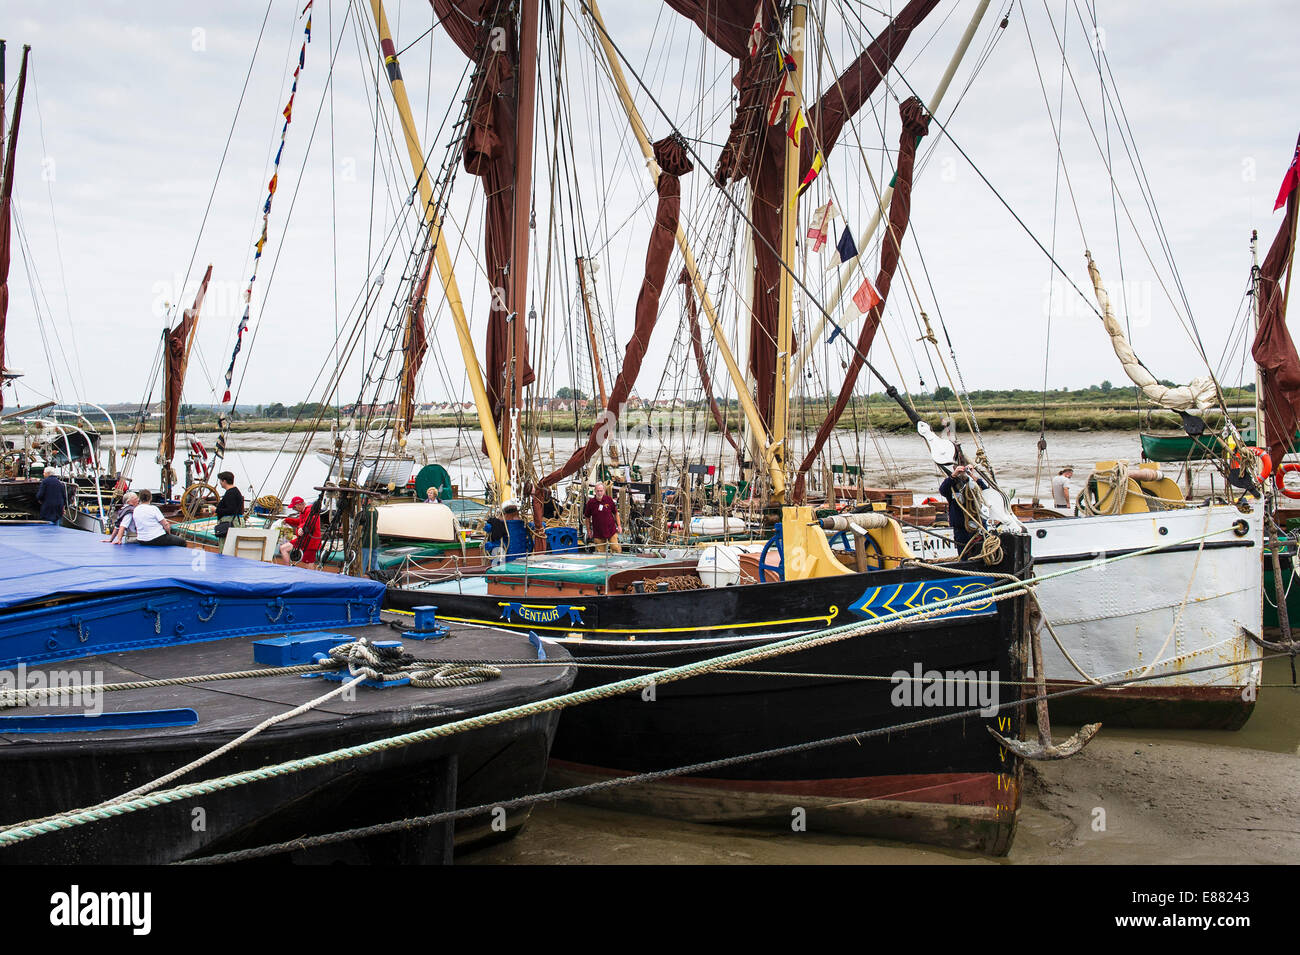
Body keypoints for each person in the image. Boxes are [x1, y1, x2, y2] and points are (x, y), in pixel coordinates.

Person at [939, 464, 987, 553]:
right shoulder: (952, 485)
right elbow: (943, 491)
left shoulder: (974, 484)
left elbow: (986, 491)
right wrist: (954, 475)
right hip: (961, 526)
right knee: (964, 552)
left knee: (983, 550)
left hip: (979, 524)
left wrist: (971, 475)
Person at [122, 489, 187, 547]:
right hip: (156, 538)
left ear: (140, 499)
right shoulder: (154, 509)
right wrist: (169, 533)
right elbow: (166, 525)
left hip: (142, 540)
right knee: (182, 542)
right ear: (150, 498)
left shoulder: (136, 510)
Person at [279, 498, 322, 565]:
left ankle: (310, 575)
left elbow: (309, 522)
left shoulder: (310, 511)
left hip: (311, 542)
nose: (293, 509)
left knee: (308, 563)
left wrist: (300, 528)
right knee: (283, 548)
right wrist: (287, 520)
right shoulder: (302, 512)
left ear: (300, 505)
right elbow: (301, 521)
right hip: (303, 539)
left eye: (294, 507)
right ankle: (287, 568)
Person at [583, 481, 621, 553]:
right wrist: (588, 530)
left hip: (611, 530)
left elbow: (615, 513)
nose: (599, 493)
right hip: (598, 533)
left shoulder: (608, 499)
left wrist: (619, 526)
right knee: (601, 553)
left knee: (615, 548)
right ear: (595, 491)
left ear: (604, 491)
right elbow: (587, 517)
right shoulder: (591, 503)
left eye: (601, 491)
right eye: (598, 491)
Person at [214, 471, 245, 540]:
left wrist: (216, 510)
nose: (220, 483)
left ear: (224, 481)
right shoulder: (235, 491)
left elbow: (231, 510)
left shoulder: (230, 493)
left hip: (231, 524)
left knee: (226, 547)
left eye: (220, 481)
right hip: (236, 522)